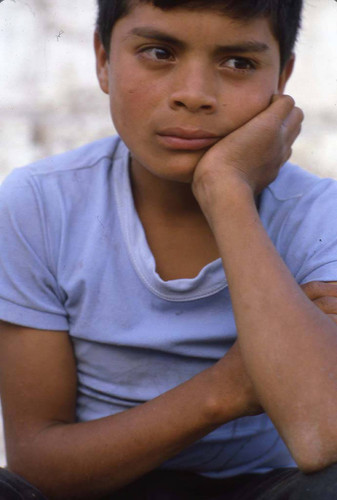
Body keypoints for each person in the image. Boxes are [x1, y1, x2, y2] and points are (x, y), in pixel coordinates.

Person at [0, 1, 337, 498]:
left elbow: (321, 438)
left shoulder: (317, 213)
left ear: (282, 76)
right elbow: (36, 464)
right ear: (102, 60)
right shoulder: (40, 203)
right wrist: (227, 390)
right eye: (158, 52)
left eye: (239, 62)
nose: (194, 95)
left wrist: (226, 191)